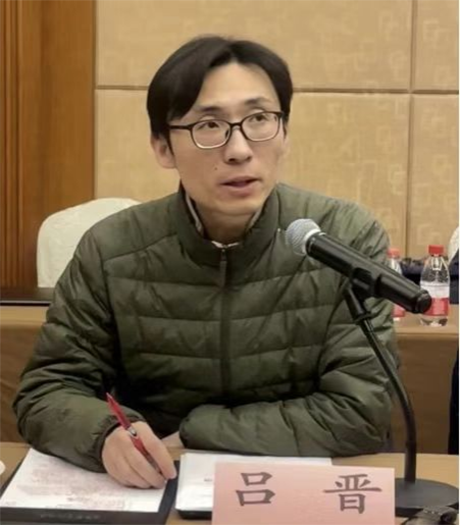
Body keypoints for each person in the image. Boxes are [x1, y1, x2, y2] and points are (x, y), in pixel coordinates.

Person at [14, 35, 397, 489]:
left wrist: (197, 432)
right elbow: (47, 390)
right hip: (157, 483)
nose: (239, 150)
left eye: (259, 119)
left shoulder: (344, 237)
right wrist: (104, 435)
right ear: (162, 147)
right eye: (209, 125)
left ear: (285, 133)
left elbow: (361, 411)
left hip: (297, 491)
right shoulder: (111, 249)